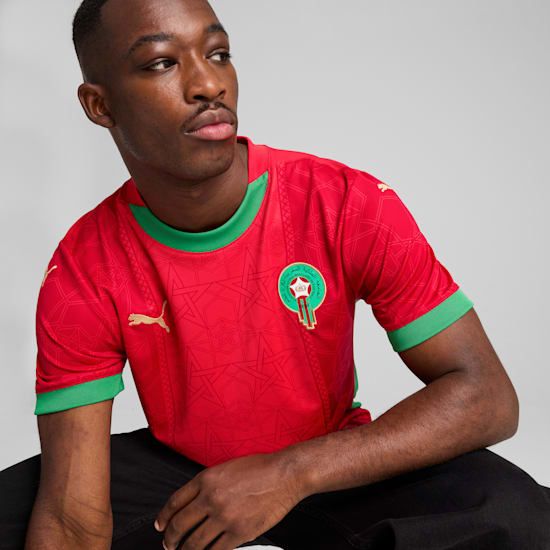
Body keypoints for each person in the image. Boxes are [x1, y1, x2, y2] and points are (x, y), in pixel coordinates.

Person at [1, 0, 549, 548]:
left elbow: (487, 396)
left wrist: (290, 473)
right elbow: (73, 518)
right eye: (162, 63)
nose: (209, 84)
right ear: (100, 106)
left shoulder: (344, 202)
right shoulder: (82, 267)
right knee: (14, 509)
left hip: (332, 471)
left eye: (218, 54)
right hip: (183, 482)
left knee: (513, 511)